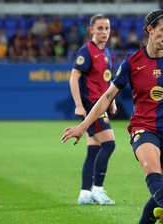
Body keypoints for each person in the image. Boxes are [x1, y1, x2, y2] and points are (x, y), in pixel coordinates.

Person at [62, 9, 163, 224]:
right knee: (151, 169)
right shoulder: (132, 62)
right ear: (150, 30)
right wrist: (84, 126)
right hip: (143, 127)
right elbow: (106, 98)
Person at [68, 14, 117, 205]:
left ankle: (84, 194)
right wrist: (79, 104)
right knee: (109, 144)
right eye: (100, 28)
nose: (104, 32)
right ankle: (98, 189)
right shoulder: (86, 51)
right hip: (91, 104)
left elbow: (107, 79)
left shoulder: (109, 52)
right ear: (91, 31)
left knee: (93, 150)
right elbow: (74, 77)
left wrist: (111, 99)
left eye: (107, 28)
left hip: (102, 103)